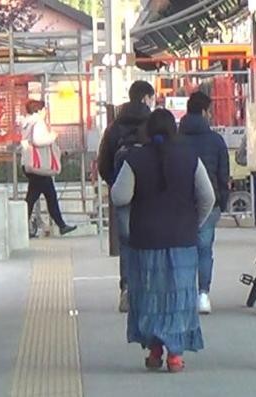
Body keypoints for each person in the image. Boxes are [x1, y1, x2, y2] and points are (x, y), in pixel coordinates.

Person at [111, 109, 215, 373]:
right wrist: (195, 223)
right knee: (179, 298)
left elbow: (119, 196)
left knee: (150, 296)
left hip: (146, 240)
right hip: (182, 241)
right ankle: (175, 356)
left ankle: (155, 351)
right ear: (174, 129)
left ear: (148, 130)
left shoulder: (135, 158)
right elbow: (208, 197)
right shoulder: (190, 157)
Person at [97, 80, 155, 313]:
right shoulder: (154, 124)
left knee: (128, 243)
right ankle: (151, 290)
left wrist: (116, 183)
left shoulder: (114, 126)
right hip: (151, 193)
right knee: (153, 241)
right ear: (145, 98)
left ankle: (127, 291)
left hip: (123, 194)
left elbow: (103, 162)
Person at [179, 91, 230, 314]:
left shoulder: (176, 139)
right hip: (209, 203)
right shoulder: (216, 140)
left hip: (179, 201)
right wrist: (223, 202)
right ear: (204, 112)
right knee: (203, 249)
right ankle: (203, 295)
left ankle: (183, 293)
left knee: (182, 248)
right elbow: (223, 174)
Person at [20, 100, 77, 237]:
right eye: (44, 109)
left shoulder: (27, 123)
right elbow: (38, 141)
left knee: (44, 196)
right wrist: (52, 136)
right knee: (37, 198)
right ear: (39, 110)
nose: (45, 112)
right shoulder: (38, 123)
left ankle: (60, 225)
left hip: (30, 164)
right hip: (39, 167)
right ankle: (22, 227)